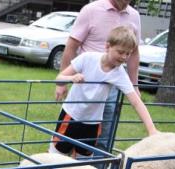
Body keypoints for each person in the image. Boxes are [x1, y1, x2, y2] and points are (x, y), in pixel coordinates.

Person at [50, 26, 158, 160]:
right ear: (107, 46)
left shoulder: (119, 74)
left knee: (82, 163)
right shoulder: (87, 58)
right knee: (56, 156)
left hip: (92, 123)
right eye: (120, 52)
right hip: (71, 115)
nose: (124, 57)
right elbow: (59, 78)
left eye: (128, 54)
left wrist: (151, 129)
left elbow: (136, 102)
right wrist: (71, 78)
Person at [54, 0, 142, 154]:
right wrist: (62, 82)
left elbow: (134, 53)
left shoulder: (134, 16)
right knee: (67, 136)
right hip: (85, 83)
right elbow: (72, 45)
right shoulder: (91, 10)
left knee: (102, 137)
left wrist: (134, 85)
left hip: (113, 84)